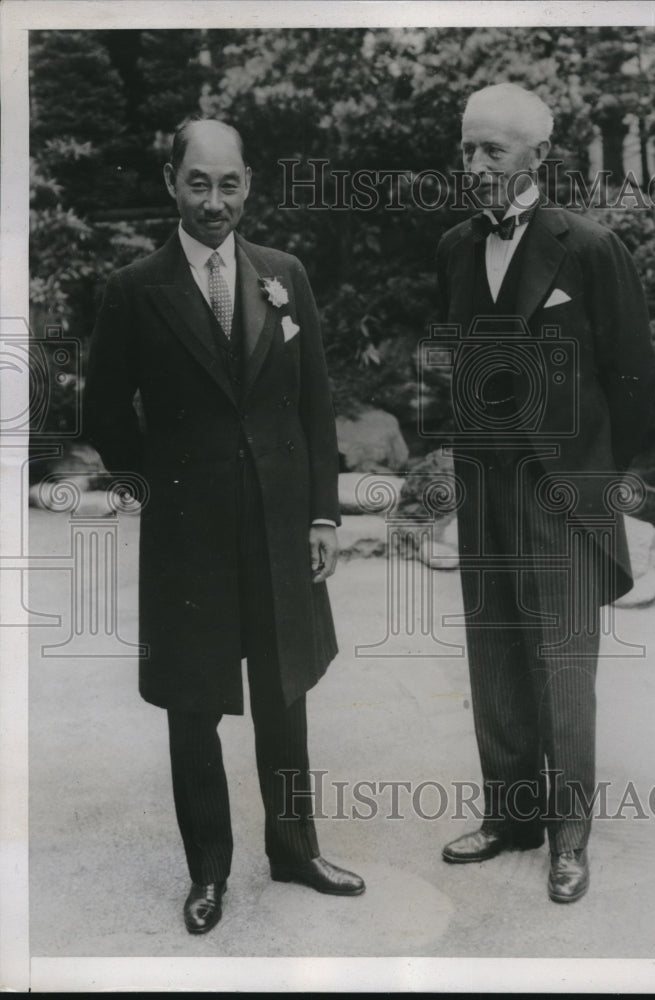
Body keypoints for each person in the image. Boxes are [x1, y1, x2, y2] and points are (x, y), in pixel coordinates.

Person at [83, 117, 364, 935]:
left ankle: (296, 850)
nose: (215, 201)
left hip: (280, 528)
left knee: (285, 691)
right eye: (198, 182)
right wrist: (159, 489)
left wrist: (320, 513)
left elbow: (314, 408)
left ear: (249, 184)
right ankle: (208, 870)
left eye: (229, 183)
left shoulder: (285, 276)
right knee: (193, 703)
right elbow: (104, 410)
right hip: (189, 537)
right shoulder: (137, 288)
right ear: (172, 182)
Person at [435, 84, 655, 902]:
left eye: (493, 150)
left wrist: (591, 477)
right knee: (492, 651)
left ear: (538, 157)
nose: (476, 165)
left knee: (564, 666)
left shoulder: (589, 248)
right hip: (485, 484)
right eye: (467, 149)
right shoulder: (456, 246)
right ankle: (511, 815)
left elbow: (634, 379)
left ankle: (569, 836)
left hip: (562, 492)